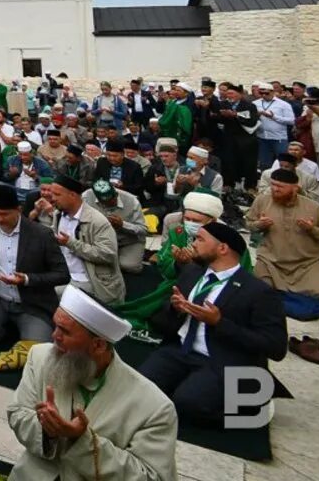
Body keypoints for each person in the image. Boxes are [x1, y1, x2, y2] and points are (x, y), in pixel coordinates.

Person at [5, 285, 178, 480]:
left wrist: (81, 441)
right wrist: (47, 432)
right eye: (55, 326)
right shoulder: (40, 357)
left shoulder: (155, 407)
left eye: (64, 331)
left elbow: (151, 477)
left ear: (98, 345)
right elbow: (17, 412)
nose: (54, 336)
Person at [138, 222, 287, 427]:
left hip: (219, 358)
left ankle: (248, 403)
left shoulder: (258, 291)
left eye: (200, 239)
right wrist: (175, 309)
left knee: (187, 404)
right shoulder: (192, 273)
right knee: (140, 389)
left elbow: (276, 347)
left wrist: (219, 323)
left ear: (223, 248)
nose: (193, 243)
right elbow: (160, 319)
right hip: (180, 349)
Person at [115, 191, 246, 335]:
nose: (190, 223)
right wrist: (180, 264)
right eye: (187, 219)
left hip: (214, 289)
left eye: (196, 221)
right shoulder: (177, 233)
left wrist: (196, 265)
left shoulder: (229, 241)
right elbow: (164, 265)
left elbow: (240, 274)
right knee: (155, 314)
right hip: (178, 285)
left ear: (212, 221)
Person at [0, 184, 70, 348]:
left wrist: (27, 279)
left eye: (5, 214)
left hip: (32, 304)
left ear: (18, 210)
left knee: (38, 348)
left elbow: (62, 274)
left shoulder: (41, 234)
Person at [246, 168, 319, 299]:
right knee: (260, 290)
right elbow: (249, 224)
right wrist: (259, 225)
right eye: (273, 185)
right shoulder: (262, 201)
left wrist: (312, 229)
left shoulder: (313, 207)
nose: (275, 189)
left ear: (295, 188)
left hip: (306, 264)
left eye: (280, 186)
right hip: (270, 262)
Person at [33, 177, 124, 305]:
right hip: (64, 274)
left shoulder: (97, 221)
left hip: (90, 280)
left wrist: (71, 243)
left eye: (57, 194)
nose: (52, 198)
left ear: (73, 195)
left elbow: (107, 254)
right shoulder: (59, 215)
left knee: (47, 294)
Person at [80, 180, 148, 275]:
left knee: (130, 266)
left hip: (128, 241)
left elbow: (143, 230)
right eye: (105, 203)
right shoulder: (87, 196)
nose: (110, 204)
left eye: (112, 200)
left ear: (116, 194)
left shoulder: (132, 201)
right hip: (100, 240)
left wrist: (123, 225)